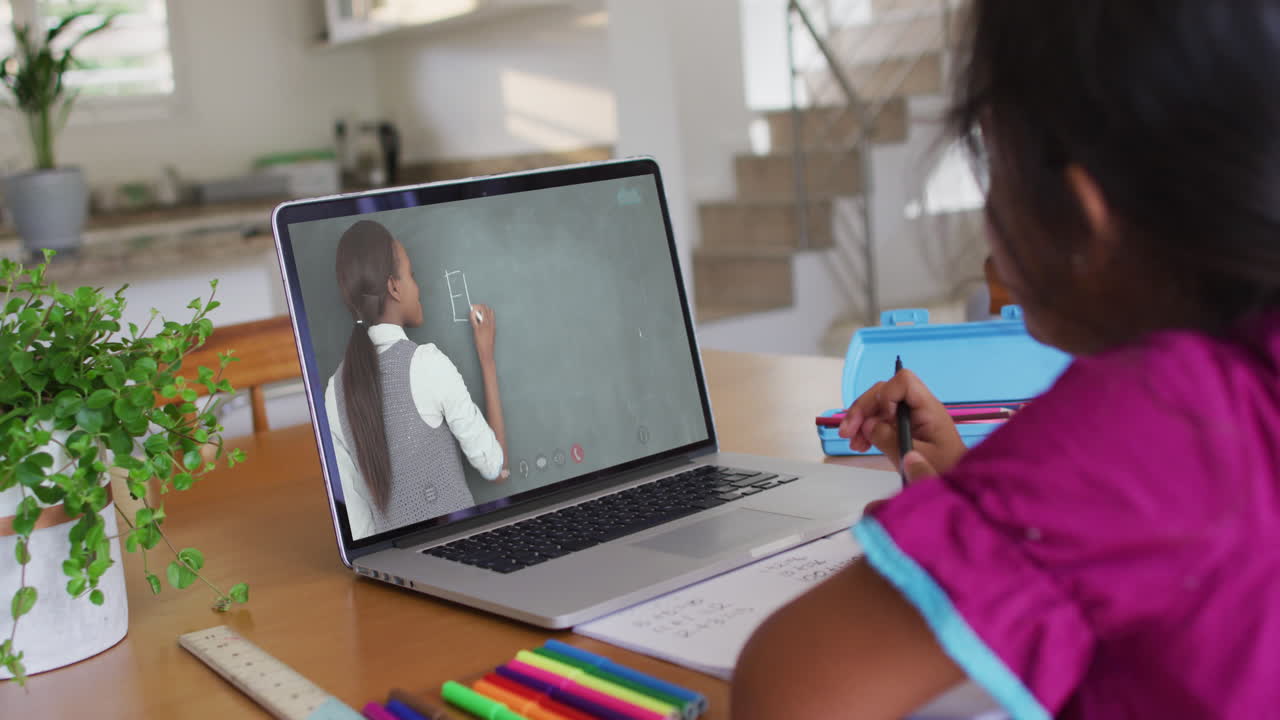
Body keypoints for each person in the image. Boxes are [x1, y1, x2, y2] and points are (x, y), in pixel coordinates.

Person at [734, 0, 1280, 717]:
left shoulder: (1153, 418)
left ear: (1086, 217)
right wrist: (977, 498)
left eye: (991, 160)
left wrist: (992, 517)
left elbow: (788, 693)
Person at [323, 220, 510, 539]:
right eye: (412, 275)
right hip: (461, 550)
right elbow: (496, 469)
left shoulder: (333, 392)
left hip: (395, 572)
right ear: (394, 287)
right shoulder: (426, 364)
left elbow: (361, 526)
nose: (418, 287)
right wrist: (487, 360)